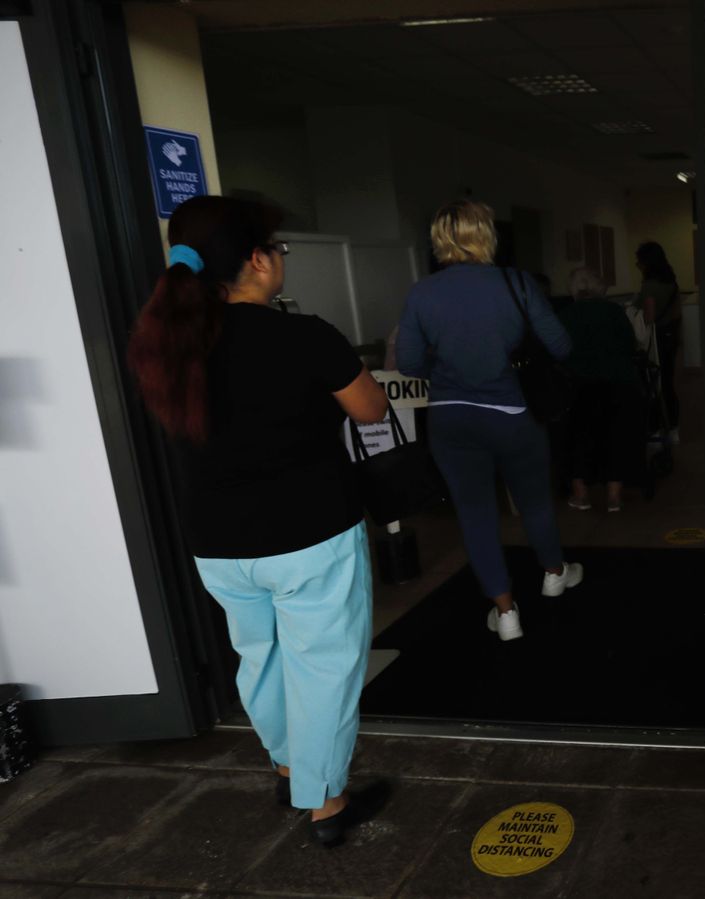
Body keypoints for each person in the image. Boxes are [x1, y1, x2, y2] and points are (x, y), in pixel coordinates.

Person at [125, 196, 391, 848]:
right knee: (321, 665)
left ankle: (287, 767)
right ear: (255, 260)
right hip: (308, 535)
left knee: (260, 656)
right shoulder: (302, 336)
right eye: (279, 250)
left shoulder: (174, 345)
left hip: (217, 542)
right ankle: (327, 803)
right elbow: (371, 409)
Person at [395, 200, 583, 643]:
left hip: (451, 419)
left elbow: (407, 363)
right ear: (487, 234)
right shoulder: (515, 284)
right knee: (534, 501)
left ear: (439, 240)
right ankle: (555, 573)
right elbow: (561, 346)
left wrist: (450, 370)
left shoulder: (423, 293)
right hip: (513, 415)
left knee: (475, 514)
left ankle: (506, 612)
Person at [560, 268, 643, 512]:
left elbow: (559, 349)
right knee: (616, 437)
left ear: (575, 290)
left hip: (580, 385)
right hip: (619, 383)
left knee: (578, 437)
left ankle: (581, 494)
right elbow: (630, 345)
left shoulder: (566, 314)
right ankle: (614, 496)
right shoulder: (615, 312)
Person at [635, 241, 682, 442]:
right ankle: (673, 428)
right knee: (668, 384)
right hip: (671, 337)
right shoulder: (672, 283)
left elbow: (649, 318)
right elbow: (676, 313)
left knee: (652, 386)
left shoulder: (649, 286)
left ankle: (654, 429)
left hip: (655, 341)